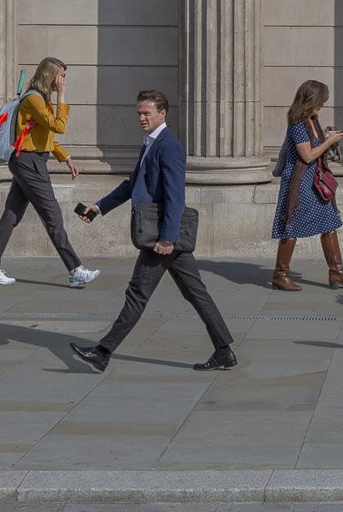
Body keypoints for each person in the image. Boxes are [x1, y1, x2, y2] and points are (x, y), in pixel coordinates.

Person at [69, 89, 235, 373]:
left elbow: (175, 196)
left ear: (162, 114)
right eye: (139, 113)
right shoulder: (150, 144)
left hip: (160, 237)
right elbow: (132, 184)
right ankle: (224, 351)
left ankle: (103, 351)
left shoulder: (168, 145)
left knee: (137, 294)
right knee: (196, 293)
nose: (141, 118)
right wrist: (99, 207)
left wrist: (168, 238)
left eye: (147, 113)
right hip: (162, 236)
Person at [0, 56, 99, 288]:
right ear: (49, 75)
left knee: (11, 215)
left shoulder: (41, 98)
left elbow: (46, 137)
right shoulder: (34, 99)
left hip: (29, 161)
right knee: (52, 215)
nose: (62, 81)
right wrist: (62, 97)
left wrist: (66, 158)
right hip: (29, 163)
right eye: (60, 76)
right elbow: (58, 127)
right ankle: (75, 269)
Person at [268, 80, 343, 291]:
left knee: (329, 221)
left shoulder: (312, 119)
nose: (323, 105)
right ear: (311, 100)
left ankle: (336, 271)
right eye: (321, 101)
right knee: (291, 225)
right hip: (300, 183)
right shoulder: (298, 123)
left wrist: (327, 137)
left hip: (314, 182)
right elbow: (307, 155)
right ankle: (280, 274)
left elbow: (314, 147)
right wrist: (328, 142)